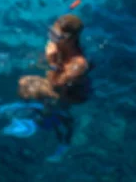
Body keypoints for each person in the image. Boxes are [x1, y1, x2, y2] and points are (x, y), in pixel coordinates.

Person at [17, 14, 92, 160]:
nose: (51, 38)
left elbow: (56, 84)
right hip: (56, 84)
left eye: (55, 35)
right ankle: (39, 119)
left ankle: (65, 141)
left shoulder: (77, 65)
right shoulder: (57, 45)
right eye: (50, 32)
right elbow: (44, 68)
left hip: (71, 95)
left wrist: (50, 59)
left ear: (69, 38)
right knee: (26, 84)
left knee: (27, 85)